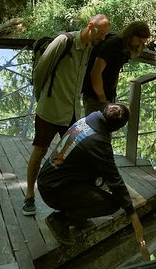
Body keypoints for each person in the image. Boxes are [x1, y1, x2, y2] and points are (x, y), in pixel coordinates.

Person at [22, 14, 110, 216]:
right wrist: (42, 99)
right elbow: (40, 71)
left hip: (71, 112)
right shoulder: (64, 41)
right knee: (40, 150)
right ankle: (29, 195)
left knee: (76, 153)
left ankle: (73, 195)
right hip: (50, 108)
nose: (103, 38)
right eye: (101, 33)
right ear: (90, 26)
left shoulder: (88, 48)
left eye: (105, 35)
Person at [37, 103, 147, 251]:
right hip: (54, 190)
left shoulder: (86, 121)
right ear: (116, 128)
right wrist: (133, 216)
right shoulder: (98, 141)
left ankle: (77, 217)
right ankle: (60, 220)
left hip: (49, 180)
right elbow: (114, 180)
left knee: (99, 182)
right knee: (112, 203)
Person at [82, 21, 151, 115]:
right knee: (97, 128)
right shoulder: (113, 44)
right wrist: (103, 101)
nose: (140, 45)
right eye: (139, 40)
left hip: (107, 95)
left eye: (143, 43)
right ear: (131, 35)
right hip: (95, 97)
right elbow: (95, 73)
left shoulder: (123, 48)